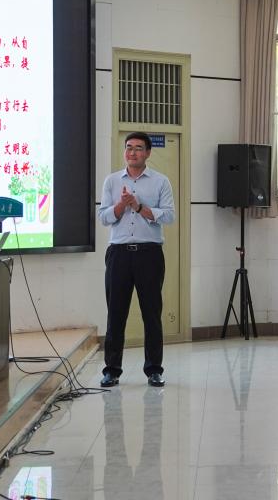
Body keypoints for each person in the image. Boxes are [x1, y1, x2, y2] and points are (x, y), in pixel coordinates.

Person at [98, 132, 176, 388]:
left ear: (148, 153)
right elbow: (103, 217)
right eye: (129, 147)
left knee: (151, 314)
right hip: (118, 254)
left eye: (138, 148)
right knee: (115, 314)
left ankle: (154, 370)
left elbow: (169, 216)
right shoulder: (112, 181)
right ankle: (112, 370)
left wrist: (139, 207)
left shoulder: (161, 181)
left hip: (149, 254)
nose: (132, 152)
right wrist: (122, 206)